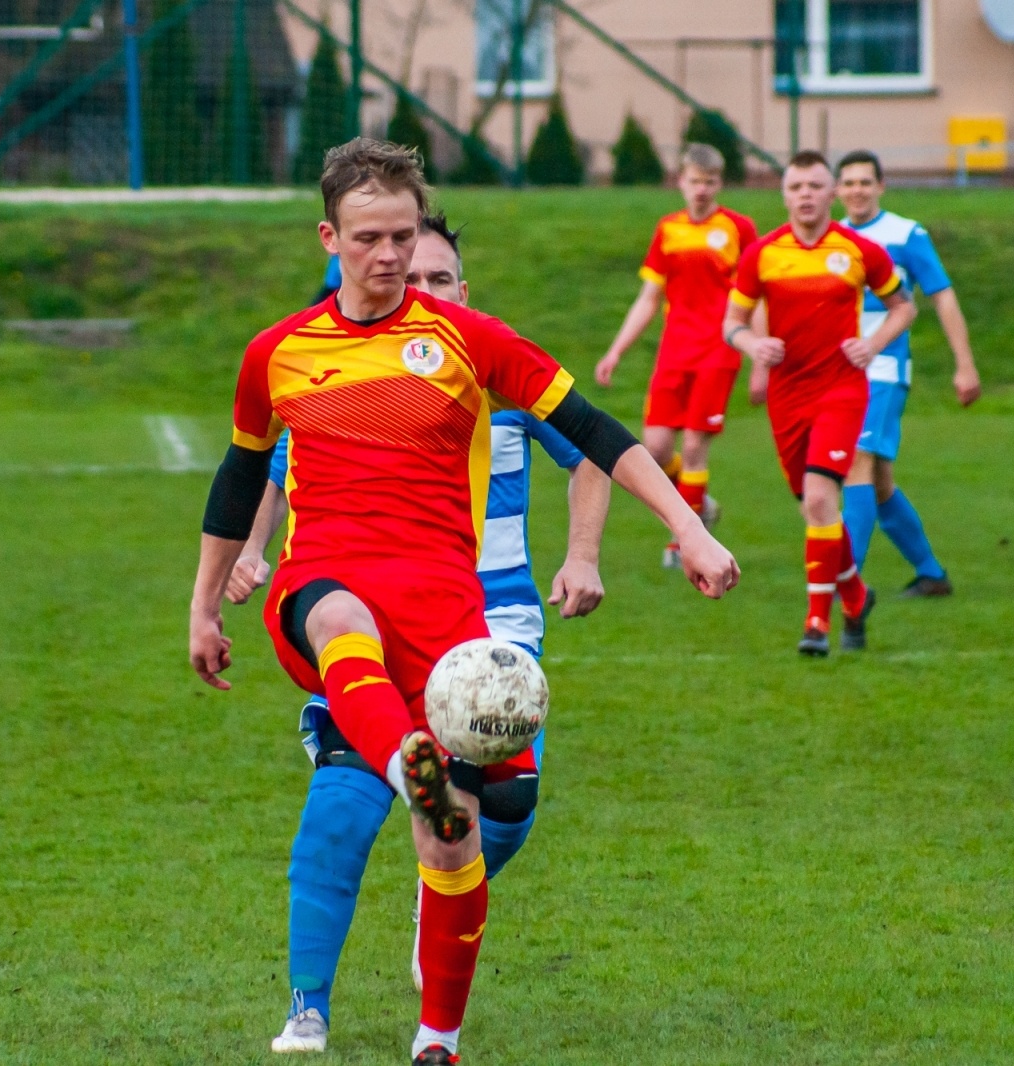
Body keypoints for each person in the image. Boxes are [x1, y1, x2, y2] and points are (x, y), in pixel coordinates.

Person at [189, 138, 739, 1065]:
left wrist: (690, 528)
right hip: (319, 585)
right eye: (369, 238)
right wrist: (204, 606)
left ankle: (437, 1038)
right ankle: (408, 768)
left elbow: (594, 431)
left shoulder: (468, 341)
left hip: (448, 624)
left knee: (455, 845)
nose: (391, 255)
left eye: (403, 235)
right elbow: (238, 482)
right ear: (330, 236)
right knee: (341, 624)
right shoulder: (277, 354)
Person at [225, 213, 613, 1054]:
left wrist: (582, 555)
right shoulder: (352, 383)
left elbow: (592, 452)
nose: (421, 290)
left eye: (440, 280)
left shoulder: (494, 373)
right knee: (346, 795)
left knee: (505, 803)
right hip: (370, 609)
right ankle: (308, 1007)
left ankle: (437, 900)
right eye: (413, 277)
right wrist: (250, 554)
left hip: (491, 623)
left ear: (462, 293)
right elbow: (276, 470)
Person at [720, 150, 916, 656]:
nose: (805, 195)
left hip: (842, 391)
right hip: (787, 396)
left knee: (821, 500)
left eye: (814, 186)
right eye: (796, 187)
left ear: (831, 194)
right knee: (816, 507)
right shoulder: (762, 254)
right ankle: (855, 595)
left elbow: (904, 307)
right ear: (784, 194)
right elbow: (731, 323)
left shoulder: (858, 250)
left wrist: (872, 345)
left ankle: (817, 624)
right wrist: (753, 346)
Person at [595, 143, 758, 566]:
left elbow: (754, 298)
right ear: (680, 181)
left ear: (720, 183)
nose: (701, 189)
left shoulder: (739, 229)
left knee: (695, 445)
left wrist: (760, 356)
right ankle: (699, 506)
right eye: (693, 181)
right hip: (674, 351)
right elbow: (650, 298)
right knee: (657, 447)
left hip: (719, 351)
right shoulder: (668, 229)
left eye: (709, 182)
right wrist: (615, 351)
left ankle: (683, 541)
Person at [834, 149, 982, 596]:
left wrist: (965, 364)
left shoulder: (905, 234)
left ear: (881, 186)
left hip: (884, 369)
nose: (857, 190)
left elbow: (943, 297)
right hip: (838, 375)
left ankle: (847, 587)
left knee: (856, 463)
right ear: (838, 190)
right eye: (849, 182)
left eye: (865, 181)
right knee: (879, 485)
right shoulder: (830, 238)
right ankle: (932, 575)